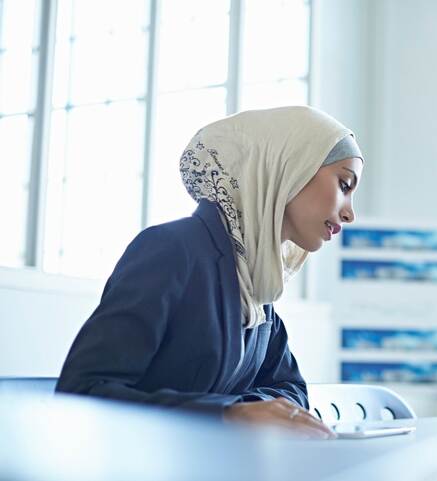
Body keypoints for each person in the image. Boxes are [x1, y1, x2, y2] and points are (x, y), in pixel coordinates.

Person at [57, 106, 364, 440]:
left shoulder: (257, 284)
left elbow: (289, 389)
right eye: (344, 184)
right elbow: (81, 391)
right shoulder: (171, 250)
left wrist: (250, 411)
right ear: (288, 168)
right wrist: (227, 414)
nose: (350, 214)